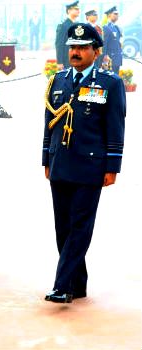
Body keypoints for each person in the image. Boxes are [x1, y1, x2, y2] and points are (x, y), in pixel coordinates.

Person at [42, 22, 125, 303]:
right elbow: (48, 123)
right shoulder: (57, 80)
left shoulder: (110, 83)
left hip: (91, 166)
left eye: (82, 48)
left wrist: (113, 166)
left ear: (96, 51)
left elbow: (115, 127)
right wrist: (46, 157)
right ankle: (78, 284)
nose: (75, 52)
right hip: (60, 163)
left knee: (79, 226)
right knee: (62, 228)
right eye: (72, 48)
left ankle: (62, 285)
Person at [55, 1, 80, 68]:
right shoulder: (63, 25)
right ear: (69, 11)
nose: (78, 11)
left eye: (78, 9)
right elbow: (59, 44)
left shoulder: (77, 24)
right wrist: (59, 62)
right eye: (76, 9)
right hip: (67, 60)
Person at [102, 6, 123, 74]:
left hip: (117, 58)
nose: (117, 16)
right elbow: (104, 44)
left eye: (117, 14)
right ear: (109, 15)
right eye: (115, 14)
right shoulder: (106, 27)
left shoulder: (116, 27)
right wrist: (104, 57)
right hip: (110, 59)